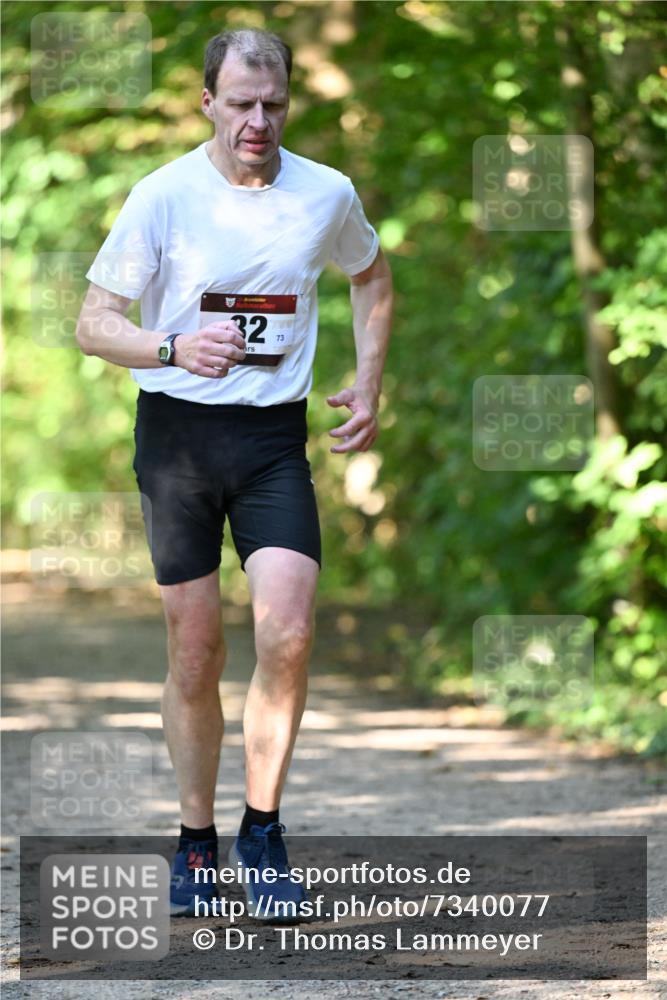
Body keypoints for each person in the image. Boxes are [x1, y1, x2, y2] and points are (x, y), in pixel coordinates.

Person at [76, 27, 393, 919]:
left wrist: (368, 382)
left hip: (269, 443)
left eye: (274, 104)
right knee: (196, 651)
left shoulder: (324, 193)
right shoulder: (163, 197)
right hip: (176, 439)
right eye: (242, 103)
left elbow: (371, 275)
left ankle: (263, 831)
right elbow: (95, 323)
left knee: (287, 634)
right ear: (208, 100)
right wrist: (173, 343)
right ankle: (193, 843)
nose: (259, 121)